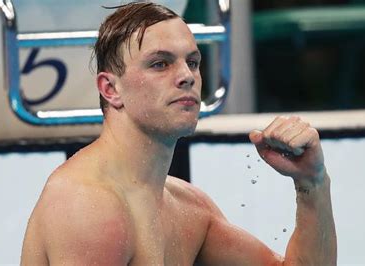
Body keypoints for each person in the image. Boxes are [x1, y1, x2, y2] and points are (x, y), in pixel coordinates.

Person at [21, 2, 337, 265]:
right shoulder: (88, 205)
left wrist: (312, 184)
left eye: (193, 61)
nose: (187, 76)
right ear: (110, 88)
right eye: (160, 64)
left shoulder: (186, 206)